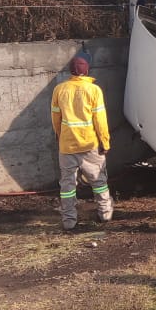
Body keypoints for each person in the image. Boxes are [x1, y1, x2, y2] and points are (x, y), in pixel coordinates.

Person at [50, 54, 112, 231]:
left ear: (71, 71)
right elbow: (100, 120)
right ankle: (105, 213)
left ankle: (69, 220)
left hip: (67, 146)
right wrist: (105, 142)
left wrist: (60, 135)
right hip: (90, 145)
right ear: (87, 70)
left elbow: (55, 117)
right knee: (98, 180)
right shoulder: (94, 90)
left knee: (67, 185)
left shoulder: (59, 90)